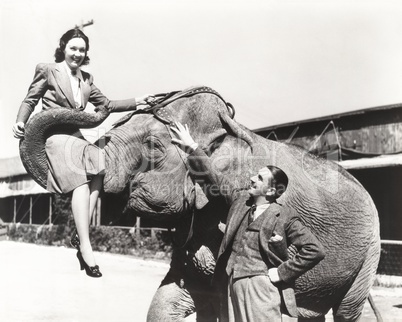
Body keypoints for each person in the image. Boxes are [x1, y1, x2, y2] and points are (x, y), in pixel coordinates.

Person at [12, 28, 154, 278]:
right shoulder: (47, 70)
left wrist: (138, 101)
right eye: (73, 48)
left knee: (99, 167)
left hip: (75, 134)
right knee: (80, 181)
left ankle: (80, 234)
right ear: (63, 48)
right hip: (53, 135)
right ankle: (86, 246)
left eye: (82, 50)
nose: (77, 54)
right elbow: (30, 99)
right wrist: (21, 121)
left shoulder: (87, 79)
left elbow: (106, 105)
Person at [170, 122, 325, 321]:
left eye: (259, 178)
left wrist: (281, 272)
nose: (252, 179)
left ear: (271, 191)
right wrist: (192, 147)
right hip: (231, 283)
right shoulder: (239, 201)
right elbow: (214, 177)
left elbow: (315, 250)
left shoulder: (285, 215)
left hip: (262, 287)